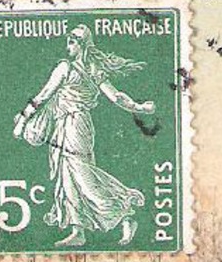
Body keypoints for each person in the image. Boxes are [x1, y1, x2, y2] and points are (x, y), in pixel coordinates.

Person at [12, 24, 155, 248]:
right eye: (68, 40)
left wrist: (23, 118)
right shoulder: (91, 69)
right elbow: (116, 97)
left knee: (81, 174)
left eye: (73, 41)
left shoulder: (68, 68)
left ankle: (125, 214)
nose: (68, 45)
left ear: (82, 45)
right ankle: (78, 230)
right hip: (68, 124)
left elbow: (43, 96)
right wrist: (140, 107)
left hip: (74, 124)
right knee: (68, 176)